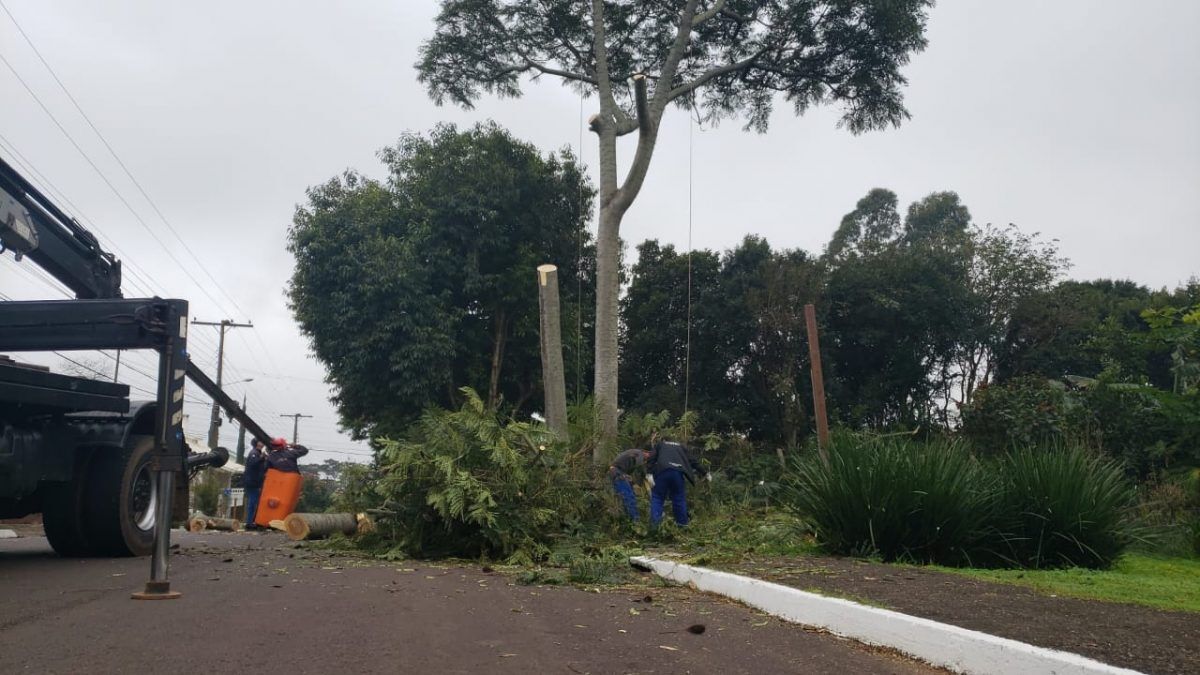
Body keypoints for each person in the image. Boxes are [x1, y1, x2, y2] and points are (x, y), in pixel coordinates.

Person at [646, 436, 710, 528]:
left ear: (665, 440)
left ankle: (655, 526)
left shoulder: (660, 444)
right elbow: (693, 461)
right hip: (677, 472)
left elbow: (651, 458)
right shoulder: (681, 446)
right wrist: (705, 473)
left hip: (662, 471)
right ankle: (682, 525)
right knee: (678, 498)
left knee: (658, 498)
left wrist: (649, 473)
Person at [608, 448, 649, 521]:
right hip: (617, 473)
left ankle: (628, 519)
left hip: (617, 473)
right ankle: (635, 521)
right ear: (645, 452)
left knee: (626, 497)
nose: (646, 460)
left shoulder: (633, 454)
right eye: (648, 456)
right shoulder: (639, 453)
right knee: (629, 497)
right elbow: (643, 471)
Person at [242, 439, 267, 529]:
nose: (263, 442)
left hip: (255, 482)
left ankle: (253, 521)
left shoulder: (258, 453)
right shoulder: (254, 453)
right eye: (261, 441)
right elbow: (253, 463)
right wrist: (262, 457)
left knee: (255, 502)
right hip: (252, 482)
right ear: (257, 443)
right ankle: (249, 522)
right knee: (253, 502)